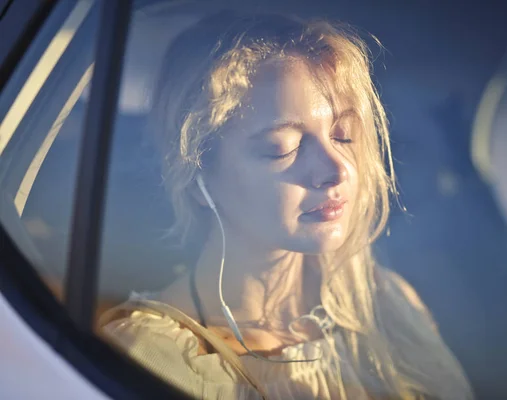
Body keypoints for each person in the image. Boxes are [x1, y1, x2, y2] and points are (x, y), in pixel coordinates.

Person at [100, 11, 473, 400]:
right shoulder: (151, 358)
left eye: (343, 135)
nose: (336, 169)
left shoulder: (387, 303)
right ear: (199, 174)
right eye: (285, 148)